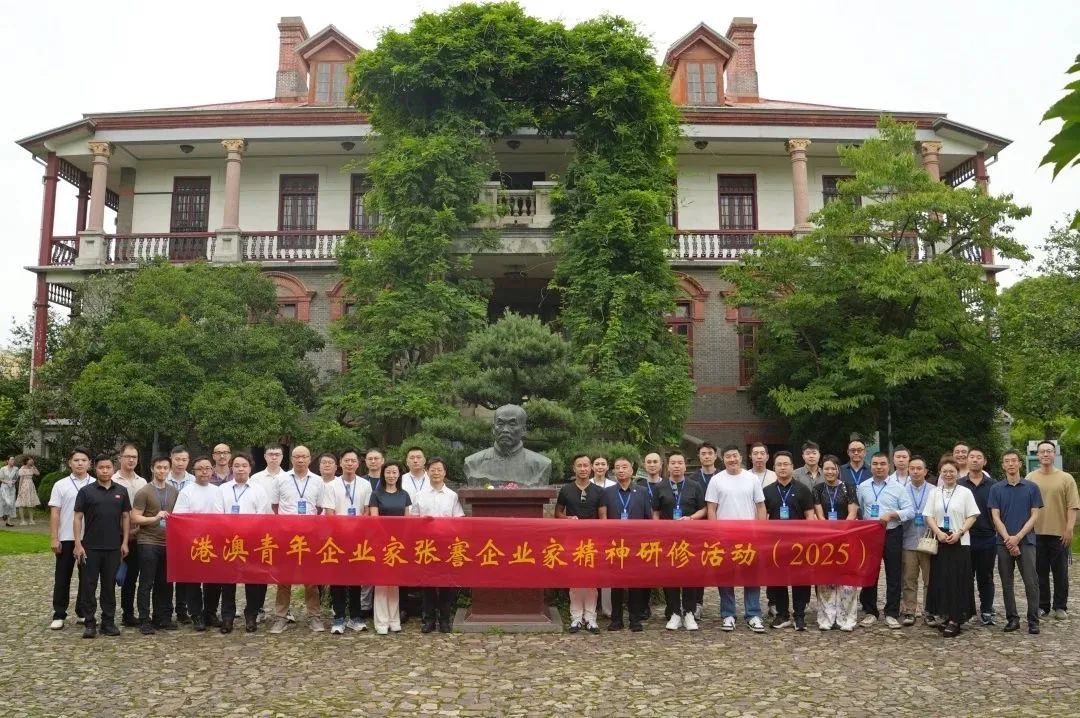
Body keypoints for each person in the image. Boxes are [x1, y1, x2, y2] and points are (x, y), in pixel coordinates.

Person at [706, 445, 767, 633]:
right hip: (724, 536)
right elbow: (711, 509)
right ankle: (728, 614)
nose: (732, 459)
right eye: (728, 456)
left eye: (734, 456)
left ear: (741, 457)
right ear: (722, 459)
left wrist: (761, 531)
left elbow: (760, 506)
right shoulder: (716, 480)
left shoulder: (752, 479)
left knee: (752, 575)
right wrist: (715, 533)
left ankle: (753, 614)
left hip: (749, 535)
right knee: (725, 575)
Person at [270, 445, 330, 634]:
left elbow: (319, 508)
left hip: (310, 536)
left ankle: (314, 616)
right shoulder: (280, 479)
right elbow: (274, 506)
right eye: (297, 456)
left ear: (310, 459)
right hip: (286, 535)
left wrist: (306, 525)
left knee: (311, 578)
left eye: (304, 456)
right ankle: (281, 617)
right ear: (291, 459)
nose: (301, 460)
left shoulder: (318, 481)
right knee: (283, 578)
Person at [73, 455, 131, 638]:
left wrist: (125, 542)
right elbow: (78, 517)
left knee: (109, 587)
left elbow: (126, 517)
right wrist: (77, 544)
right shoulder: (86, 491)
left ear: (113, 469)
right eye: (101, 468)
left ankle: (108, 622)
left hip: (113, 548)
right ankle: (90, 623)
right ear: (95, 469)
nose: (105, 471)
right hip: (90, 547)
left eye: (108, 467)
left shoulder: (121, 491)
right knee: (88, 587)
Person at [855, 451, 913, 629]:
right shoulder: (863, 486)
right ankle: (870, 611)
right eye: (875, 464)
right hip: (870, 535)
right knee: (869, 573)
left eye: (882, 464)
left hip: (892, 533)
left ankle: (892, 612)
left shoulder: (898, 488)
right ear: (870, 466)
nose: (879, 467)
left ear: (889, 466)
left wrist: (892, 514)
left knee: (894, 573)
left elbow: (910, 511)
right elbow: (860, 510)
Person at [923, 459, 980, 637]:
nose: (948, 474)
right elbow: (929, 515)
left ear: (957, 473)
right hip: (941, 541)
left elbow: (972, 516)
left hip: (959, 541)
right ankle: (946, 615)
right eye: (945, 471)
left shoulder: (965, 492)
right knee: (942, 580)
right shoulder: (934, 492)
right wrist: (938, 532)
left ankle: (956, 619)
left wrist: (960, 532)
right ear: (940, 473)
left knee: (958, 580)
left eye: (952, 471)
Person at [989, 449, 1043, 635]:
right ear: (1003, 465)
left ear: (1020, 463)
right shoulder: (996, 489)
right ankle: (1012, 619)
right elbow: (995, 516)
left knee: (1031, 582)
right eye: (1007, 461)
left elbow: (1034, 515)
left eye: (1014, 460)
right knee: (1006, 583)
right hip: (1003, 542)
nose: (1011, 464)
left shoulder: (1032, 487)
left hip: (1026, 541)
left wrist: (1018, 537)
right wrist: (1008, 539)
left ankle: (1033, 620)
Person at [219, 453, 272, 633]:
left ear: (250, 468)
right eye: (237, 465)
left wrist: (247, 531)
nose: (240, 469)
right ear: (231, 468)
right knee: (228, 581)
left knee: (253, 580)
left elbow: (262, 516)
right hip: (228, 541)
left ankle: (251, 616)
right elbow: (218, 514)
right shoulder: (223, 489)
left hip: (252, 541)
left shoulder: (259, 490)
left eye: (244, 465)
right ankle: (227, 618)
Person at [598, 457, 653, 632]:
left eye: (624, 467)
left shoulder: (642, 492)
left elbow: (648, 518)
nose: (621, 470)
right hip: (615, 544)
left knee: (635, 583)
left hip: (636, 543)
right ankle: (616, 619)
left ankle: (635, 619)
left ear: (632, 470)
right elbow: (603, 517)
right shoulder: (607, 492)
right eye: (617, 467)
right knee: (616, 583)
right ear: (613, 471)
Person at [763, 451, 816, 631]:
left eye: (786, 464)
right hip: (775, 545)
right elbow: (763, 519)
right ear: (774, 468)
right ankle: (782, 614)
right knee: (778, 580)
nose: (783, 467)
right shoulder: (767, 491)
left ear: (793, 467)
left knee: (800, 580)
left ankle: (799, 616)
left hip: (799, 545)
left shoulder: (803, 490)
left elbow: (810, 517)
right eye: (779, 464)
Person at [1027, 440, 1079, 620]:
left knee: (1061, 573)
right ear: (1037, 455)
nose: (1045, 454)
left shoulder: (1066, 478)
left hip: (1059, 534)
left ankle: (1060, 606)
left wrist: (1069, 529)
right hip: (1036, 533)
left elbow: (1072, 506)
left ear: (1054, 454)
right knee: (1039, 572)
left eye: (1049, 451)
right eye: (1042, 451)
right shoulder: (1030, 478)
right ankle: (1043, 606)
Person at [653, 451, 705, 631]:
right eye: (673, 463)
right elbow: (655, 512)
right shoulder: (660, 487)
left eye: (680, 463)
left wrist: (691, 518)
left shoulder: (694, 486)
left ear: (684, 465)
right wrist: (658, 529)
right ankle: (674, 612)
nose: (677, 466)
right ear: (668, 466)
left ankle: (689, 612)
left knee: (690, 575)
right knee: (670, 575)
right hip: (668, 539)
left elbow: (703, 509)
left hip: (690, 538)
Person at [173, 456, 225, 631]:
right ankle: (196, 614)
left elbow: (223, 515)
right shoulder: (187, 491)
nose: (204, 472)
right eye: (200, 469)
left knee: (214, 580)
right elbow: (180, 518)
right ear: (194, 472)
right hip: (193, 541)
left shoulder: (218, 491)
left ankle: (210, 612)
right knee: (193, 580)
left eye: (207, 468)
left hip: (215, 541)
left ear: (212, 470)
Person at [324, 448, 372, 634]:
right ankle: (338, 617)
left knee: (356, 579)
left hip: (358, 539)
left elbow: (366, 511)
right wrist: (342, 530)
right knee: (337, 579)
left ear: (358, 464)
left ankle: (355, 617)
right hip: (337, 539)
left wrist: (356, 530)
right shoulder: (331, 485)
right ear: (340, 463)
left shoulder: (365, 485)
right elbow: (329, 513)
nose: (350, 464)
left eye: (353, 461)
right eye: (346, 460)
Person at [130, 455, 179, 635]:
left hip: (168, 542)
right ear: (152, 468)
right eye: (159, 467)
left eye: (165, 468)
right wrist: (155, 518)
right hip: (148, 541)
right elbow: (135, 517)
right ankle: (144, 619)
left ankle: (162, 617)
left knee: (165, 582)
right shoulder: (144, 492)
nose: (162, 471)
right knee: (146, 582)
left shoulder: (173, 491)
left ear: (169, 470)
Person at [555, 454, 604, 634]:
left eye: (586, 465)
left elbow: (603, 517)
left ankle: (590, 618)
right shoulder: (566, 490)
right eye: (579, 466)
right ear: (574, 468)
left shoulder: (599, 491)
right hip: (572, 540)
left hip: (593, 541)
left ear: (591, 468)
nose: (583, 469)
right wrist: (568, 519)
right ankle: (576, 617)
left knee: (591, 581)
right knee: (575, 580)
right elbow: (557, 513)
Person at [414, 458, 465, 633]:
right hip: (426, 546)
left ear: (445, 473)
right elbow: (413, 521)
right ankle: (428, 620)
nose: (436, 473)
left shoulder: (452, 495)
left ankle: (444, 619)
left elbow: (459, 520)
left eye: (439, 470)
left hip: (446, 545)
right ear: (427, 472)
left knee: (446, 584)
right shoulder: (420, 495)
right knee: (427, 584)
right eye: (433, 470)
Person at [47, 448, 94, 630]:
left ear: (89, 463)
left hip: (88, 538)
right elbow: (55, 513)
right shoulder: (60, 485)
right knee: (62, 576)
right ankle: (59, 613)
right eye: (76, 460)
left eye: (83, 460)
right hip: (66, 537)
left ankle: (82, 611)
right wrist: (54, 538)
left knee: (87, 578)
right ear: (69, 463)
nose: (80, 463)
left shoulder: (96, 483)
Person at [812, 455, 859, 631]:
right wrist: (829, 533)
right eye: (826, 468)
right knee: (826, 580)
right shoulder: (817, 489)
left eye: (833, 468)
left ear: (838, 469)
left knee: (847, 581)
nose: (830, 471)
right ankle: (826, 618)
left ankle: (846, 619)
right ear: (822, 470)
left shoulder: (849, 487)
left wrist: (842, 532)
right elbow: (820, 515)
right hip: (825, 539)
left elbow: (852, 512)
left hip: (846, 538)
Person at [369, 461, 411, 635]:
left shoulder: (404, 494)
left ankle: (394, 620)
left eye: (394, 472)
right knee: (381, 583)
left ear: (399, 475)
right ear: (383, 474)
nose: (391, 476)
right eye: (388, 472)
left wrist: (401, 540)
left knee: (394, 583)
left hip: (398, 544)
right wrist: (385, 539)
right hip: (381, 543)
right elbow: (374, 520)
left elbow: (408, 521)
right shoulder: (376, 494)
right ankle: (381, 622)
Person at [958, 447, 997, 625]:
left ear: (984, 461)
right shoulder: (959, 484)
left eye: (978, 457)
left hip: (987, 536)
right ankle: (966, 610)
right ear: (967, 460)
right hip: (964, 537)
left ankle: (987, 610)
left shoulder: (993, 485)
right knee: (965, 576)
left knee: (986, 576)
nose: (975, 460)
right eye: (971, 457)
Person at [113, 443, 147, 628]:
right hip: (115, 535)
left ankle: (128, 613)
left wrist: (138, 530)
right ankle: (108, 613)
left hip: (137, 535)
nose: (131, 460)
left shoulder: (142, 482)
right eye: (128, 456)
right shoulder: (112, 479)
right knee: (110, 575)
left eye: (134, 457)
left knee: (131, 576)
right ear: (120, 458)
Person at [899, 456, 933, 626]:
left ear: (925, 471)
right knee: (909, 579)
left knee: (930, 579)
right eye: (912, 468)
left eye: (919, 468)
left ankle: (930, 611)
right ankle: (909, 611)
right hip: (908, 540)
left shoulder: (934, 491)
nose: (915, 471)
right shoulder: (901, 490)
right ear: (908, 470)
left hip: (929, 541)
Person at [690, 442, 720, 620]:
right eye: (703, 453)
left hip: (722, 528)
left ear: (715, 456)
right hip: (699, 529)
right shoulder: (693, 479)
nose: (707, 456)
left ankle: (728, 607)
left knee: (724, 566)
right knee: (698, 567)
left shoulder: (723, 475)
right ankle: (697, 603)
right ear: (699, 456)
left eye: (710, 453)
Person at [167, 444, 195, 623]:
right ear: (171, 459)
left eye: (184, 459)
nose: (180, 463)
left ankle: (183, 609)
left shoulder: (194, 480)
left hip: (188, 534)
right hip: (165, 531)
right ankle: (165, 610)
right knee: (167, 573)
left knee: (185, 573)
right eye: (177, 459)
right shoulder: (163, 477)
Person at [360, 447, 385, 617]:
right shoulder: (361, 481)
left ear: (382, 460)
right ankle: (364, 606)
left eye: (376, 458)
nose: (373, 461)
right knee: (365, 568)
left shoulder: (390, 479)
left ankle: (383, 607)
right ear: (366, 461)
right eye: (370, 459)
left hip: (386, 531)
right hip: (364, 532)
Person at [590, 454, 615, 618]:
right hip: (590, 533)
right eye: (597, 464)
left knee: (607, 572)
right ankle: (590, 609)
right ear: (592, 466)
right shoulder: (587, 484)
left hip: (608, 533)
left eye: (603, 464)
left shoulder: (613, 486)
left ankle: (608, 609)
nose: (600, 467)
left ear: (607, 467)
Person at [15, 456, 41, 525]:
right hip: (24, 486)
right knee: (21, 503)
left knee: (30, 504)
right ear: (26, 461)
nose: (31, 461)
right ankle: (22, 521)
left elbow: (38, 473)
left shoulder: (32, 468)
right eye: (30, 460)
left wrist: (34, 466)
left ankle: (31, 520)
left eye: (32, 460)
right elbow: (21, 479)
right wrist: (19, 490)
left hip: (31, 486)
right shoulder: (22, 468)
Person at [0, 456, 18, 526]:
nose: (13, 461)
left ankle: (8, 521)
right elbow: (1, 479)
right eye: (11, 459)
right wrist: (7, 482)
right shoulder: (3, 469)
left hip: (12, 489)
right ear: (7, 461)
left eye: (14, 460)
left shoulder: (16, 469)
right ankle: (4, 514)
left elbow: (16, 477)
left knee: (11, 504)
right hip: (4, 488)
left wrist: (13, 481)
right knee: (5, 503)